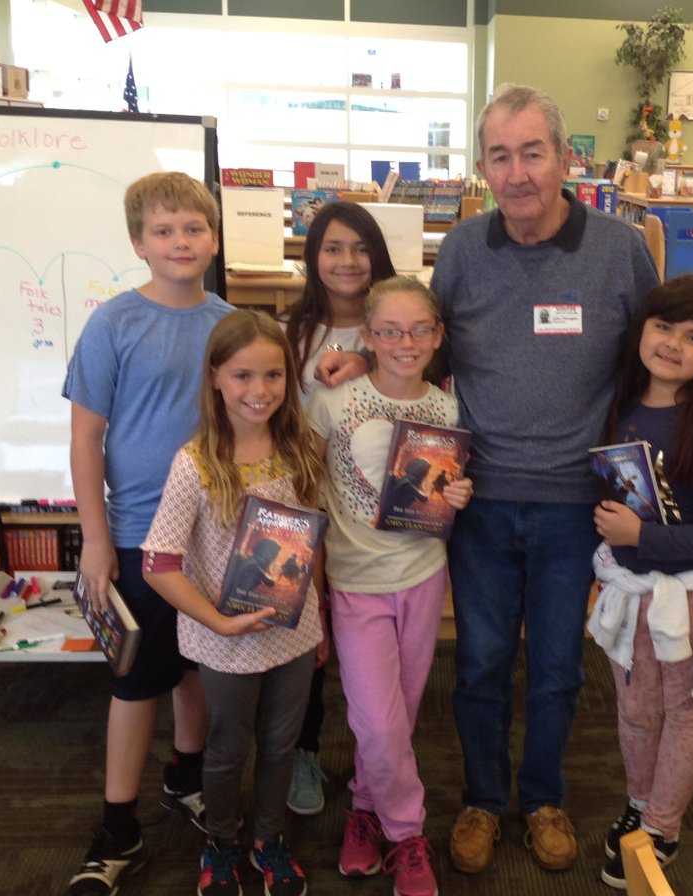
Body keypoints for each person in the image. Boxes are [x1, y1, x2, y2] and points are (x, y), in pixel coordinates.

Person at [424, 82, 693, 876]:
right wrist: (358, 364)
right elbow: (426, 353)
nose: (517, 173)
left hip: (584, 504)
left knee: (558, 667)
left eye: (532, 152)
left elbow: (674, 340)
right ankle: (480, 797)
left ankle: (542, 798)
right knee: (478, 661)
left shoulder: (618, 248)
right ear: (481, 166)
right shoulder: (464, 250)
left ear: (565, 158)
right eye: (500, 156)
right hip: (483, 498)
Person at [63, 171, 233, 896]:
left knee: (194, 664)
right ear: (139, 243)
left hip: (211, 533)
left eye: (193, 228)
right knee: (136, 682)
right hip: (137, 533)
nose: (180, 242)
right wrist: (95, 538)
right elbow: (86, 438)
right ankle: (118, 825)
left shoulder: (228, 322)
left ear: (214, 238)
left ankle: (185, 780)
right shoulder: (113, 323)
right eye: (163, 231)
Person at [142, 310, 326, 896]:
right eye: (244, 375)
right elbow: (159, 563)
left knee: (280, 744)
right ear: (217, 376)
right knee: (226, 750)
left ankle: (268, 841)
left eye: (274, 376)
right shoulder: (195, 464)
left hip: (293, 635)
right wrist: (219, 622)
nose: (260, 390)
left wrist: (317, 620)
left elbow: (311, 540)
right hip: (225, 639)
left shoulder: (300, 451)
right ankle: (220, 843)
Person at [586, 276, 693, 889]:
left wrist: (643, 540)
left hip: (689, 595)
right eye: (663, 327)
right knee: (635, 708)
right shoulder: (618, 407)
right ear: (641, 330)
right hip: (631, 590)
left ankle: (663, 824)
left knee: (681, 709)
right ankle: (639, 800)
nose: (673, 345)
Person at [307, 277, 473, 896]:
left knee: (394, 719)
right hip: (354, 584)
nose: (406, 342)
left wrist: (459, 493)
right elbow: (305, 488)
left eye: (419, 330)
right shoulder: (332, 403)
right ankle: (407, 834)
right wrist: (311, 590)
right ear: (368, 337)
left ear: (438, 336)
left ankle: (363, 806)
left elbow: (449, 489)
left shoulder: (449, 409)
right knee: (376, 722)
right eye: (390, 331)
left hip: (423, 579)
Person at [280, 201, 398, 816]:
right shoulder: (292, 332)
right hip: (305, 504)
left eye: (359, 248)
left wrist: (370, 360)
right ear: (312, 257)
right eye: (332, 248)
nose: (347, 261)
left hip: (377, 516)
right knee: (307, 635)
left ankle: (372, 764)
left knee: (369, 648)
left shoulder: (397, 325)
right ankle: (304, 752)